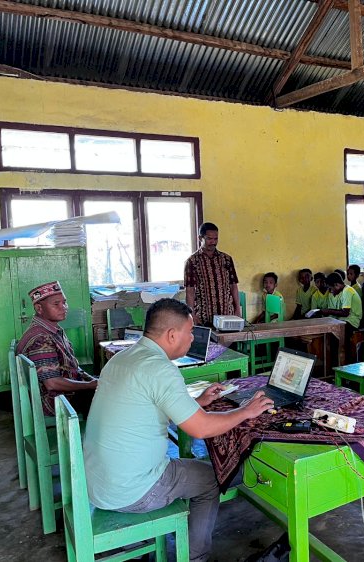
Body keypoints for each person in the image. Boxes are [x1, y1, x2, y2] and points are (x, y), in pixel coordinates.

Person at [83, 299, 274, 562]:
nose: (193, 338)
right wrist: (245, 411)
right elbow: (201, 428)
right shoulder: (160, 369)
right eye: (190, 331)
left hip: (99, 482)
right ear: (172, 335)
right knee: (212, 478)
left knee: (199, 467)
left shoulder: (123, 358)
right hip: (133, 489)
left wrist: (198, 403)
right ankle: (196, 558)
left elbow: (150, 407)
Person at [16, 281, 97, 416]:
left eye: (64, 302)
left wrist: (90, 379)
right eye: (56, 304)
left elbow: (73, 366)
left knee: (109, 385)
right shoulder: (41, 338)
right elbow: (52, 383)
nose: (64, 307)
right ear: (39, 308)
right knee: (112, 398)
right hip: (56, 401)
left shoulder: (53, 329)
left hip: (65, 394)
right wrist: (90, 385)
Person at [184, 222, 241, 325]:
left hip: (227, 314)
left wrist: (237, 308)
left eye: (216, 239)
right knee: (207, 341)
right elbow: (190, 290)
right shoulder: (192, 261)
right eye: (209, 239)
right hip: (204, 316)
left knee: (227, 340)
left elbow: (233, 286)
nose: (213, 242)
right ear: (200, 238)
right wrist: (191, 313)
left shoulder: (226, 259)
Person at [320, 272, 363, 351]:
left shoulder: (347, 291)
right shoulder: (343, 291)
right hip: (344, 320)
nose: (330, 291)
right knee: (329, 332)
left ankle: (342, 359)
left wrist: (328, 311)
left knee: (335, 337)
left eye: (331, 288)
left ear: (337, 285)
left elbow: (345, 313)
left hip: (352, 321)